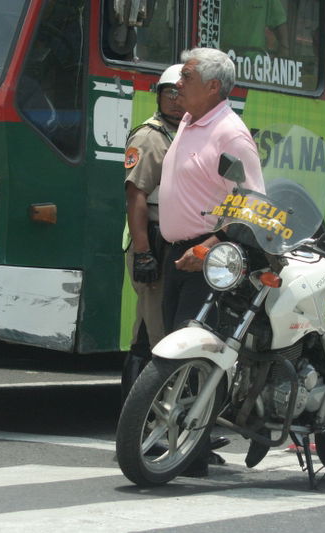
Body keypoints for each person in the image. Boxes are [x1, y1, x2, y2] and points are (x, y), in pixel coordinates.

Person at [158, 47, 265, 475]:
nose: (176, 84)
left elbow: (253, 204)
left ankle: (194, 449)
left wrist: (209, 245)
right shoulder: (188, 120)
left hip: (210, 256)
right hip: (177, 254)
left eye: (185, 77)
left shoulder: (229, 133)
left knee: (197, 352)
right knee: (173, 349)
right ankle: (185, 442)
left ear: (213, 87)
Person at [121, 64, 185, 402]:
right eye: (168, 93)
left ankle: (146, 426)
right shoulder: (150, 136)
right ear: (158, 95)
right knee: (160, 337)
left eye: (181, 93)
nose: (175, 100)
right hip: (155, 240)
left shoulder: (187, 132)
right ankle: (147, 424)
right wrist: (145, 253)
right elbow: (137, 198)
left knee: (149, 331)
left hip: (178, 240)